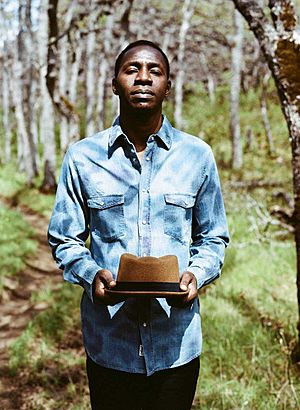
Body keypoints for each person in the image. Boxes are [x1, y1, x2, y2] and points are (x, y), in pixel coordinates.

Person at [48, 39, 229, 410]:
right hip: (109, 343)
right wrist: (91, 274)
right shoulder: (83, 157)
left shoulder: (197, 156)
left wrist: (197, 274)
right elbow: (64, 238)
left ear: (167, 84)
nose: (143, 78)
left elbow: (213, 236)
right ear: (114, 83)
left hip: (176, 346)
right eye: (132, 69)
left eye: (154, 71)